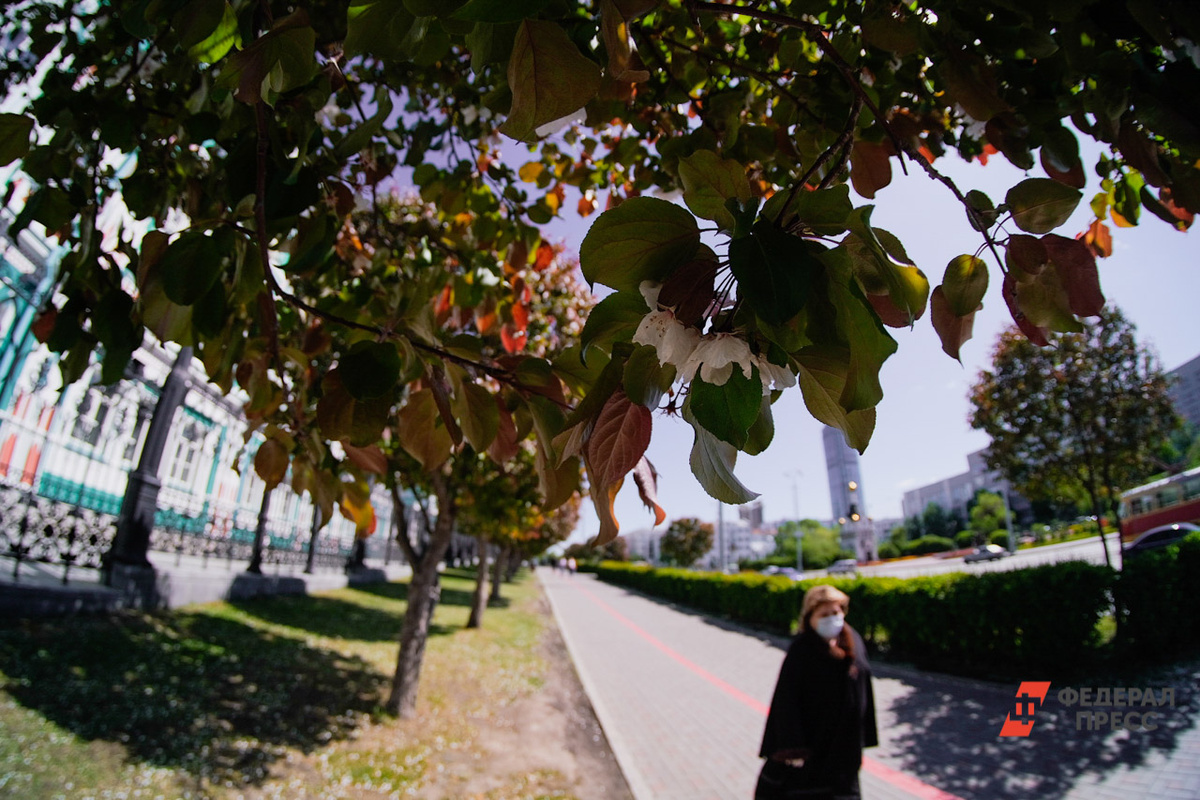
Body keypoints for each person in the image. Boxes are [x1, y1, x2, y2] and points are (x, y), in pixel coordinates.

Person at [755, 584, 878, 800]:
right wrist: (792, 747)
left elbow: (863, 689)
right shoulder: (801, 650)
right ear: (810, 617)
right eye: (824, 614)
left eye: (836, 612)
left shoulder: (853, 641)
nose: (832, 619)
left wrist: (863, 735)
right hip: (813, 747)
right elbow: (786, 701)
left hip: (844, 749)